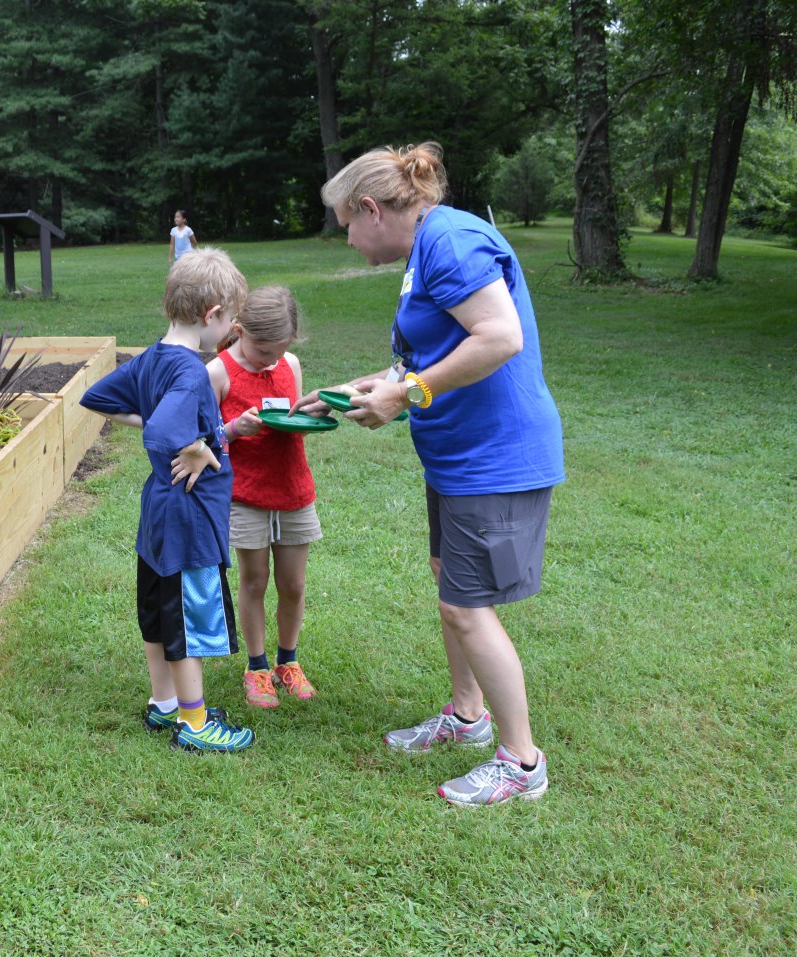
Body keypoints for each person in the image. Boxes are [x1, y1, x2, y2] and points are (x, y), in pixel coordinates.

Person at [296, 142, 565, 807]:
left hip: (495, 458)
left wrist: (405, 394)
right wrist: (355, 389)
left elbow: (500, 336)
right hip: (456, 456)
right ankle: (468, 718)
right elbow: (423, 358)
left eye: (346, 226)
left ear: (370, 209)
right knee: (452, 585)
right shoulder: (427, 250)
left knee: (466, 608)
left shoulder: (451, 241)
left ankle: (521, 761)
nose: (349, 241)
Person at [79, 247, 255, 753]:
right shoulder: (192, 371)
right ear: (211, 314)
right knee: (189, 616)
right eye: (230, 323)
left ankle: (164, 704)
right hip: (188, 519)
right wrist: (197, 445)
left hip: (158, 512)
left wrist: (174, 428)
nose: (229, 334)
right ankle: (195, 724)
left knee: (157, 610)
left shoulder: (151, 359)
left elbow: (99, 399)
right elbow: (162, 430)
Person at [207, 286, 321, 709]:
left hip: (293, 490)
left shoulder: (289, 364)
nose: (270, 360)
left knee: (293, 583)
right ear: (238, 330)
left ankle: (287, 662)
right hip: (245, 496)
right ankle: (257, 667)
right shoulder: (217, 372)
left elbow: (294, 423)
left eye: (278, 351)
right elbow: (203, 439)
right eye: (261, 351)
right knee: (254, 582)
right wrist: (235, 429)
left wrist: (311, 418)